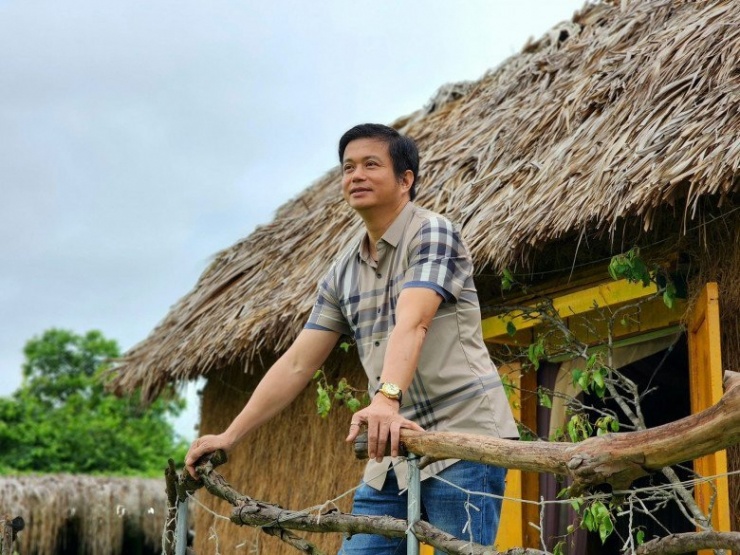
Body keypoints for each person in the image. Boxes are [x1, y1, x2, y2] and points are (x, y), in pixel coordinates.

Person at [185, 123, 519, 553]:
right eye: (348, 167)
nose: (356, 175)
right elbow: (298, 362)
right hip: (390, 451)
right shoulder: (342, 270)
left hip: (462, 441)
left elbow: (413, 322)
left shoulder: (433, 233)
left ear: (405, 180)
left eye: (371, 164)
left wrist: (386, 399)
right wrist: (230, 435)